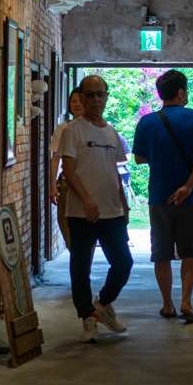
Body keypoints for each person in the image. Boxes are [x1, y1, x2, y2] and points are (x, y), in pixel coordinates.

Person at [132, 69, 193, 324]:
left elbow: (139, 158)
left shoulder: (146, 122)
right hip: (189, 199)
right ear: (181, 93)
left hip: (159, 196)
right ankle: (186, 303)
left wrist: (161, 158)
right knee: (189, 251)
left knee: (162, 253)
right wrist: (188, 186)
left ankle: (167, 304)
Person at [58, 74, 133, 341]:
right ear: (81, 97)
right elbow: (68, 170)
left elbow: (114, 170)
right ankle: (87, 317)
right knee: (80, 268)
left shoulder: (111, 132)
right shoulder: (73, 130)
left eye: (100, 94)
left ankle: (102, 305)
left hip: (111, 211)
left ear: (107, 97)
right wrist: (87, 198)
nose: (95, 100)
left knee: (123, 263)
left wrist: (124, 204)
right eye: (90, 95)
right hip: (81, 212)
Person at [49, 87, 85, 251]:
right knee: (66, 225)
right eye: (73, 101)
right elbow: (56, 158)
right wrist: (52, 185)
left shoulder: (97, 127)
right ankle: (78, 262)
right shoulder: (63, 129)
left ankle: (83, 265)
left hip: (89, 183)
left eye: (80, 100)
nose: (76, 104)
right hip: (67, 184)